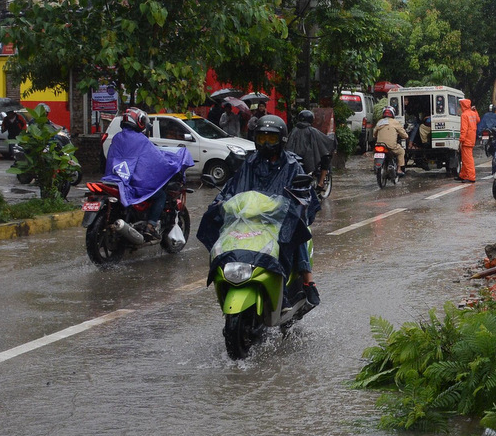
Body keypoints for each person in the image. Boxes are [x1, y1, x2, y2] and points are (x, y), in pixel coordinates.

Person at [198, 115, 320, 305]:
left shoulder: (292, 165)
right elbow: (231, 187)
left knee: (297, 230)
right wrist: (221, 203)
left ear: (282, 140)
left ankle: (308, 281)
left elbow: (304, 194)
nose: (266, 143)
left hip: (278, 220)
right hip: (249, 219)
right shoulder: (248, 163)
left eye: (271, 139)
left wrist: (295, 204)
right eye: (261, 138)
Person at [103, 107, 193, 240]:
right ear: (139, 121)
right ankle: (150, 226)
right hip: (134, 185)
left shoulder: (117, 138)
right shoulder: (141, 140)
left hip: (114, 179)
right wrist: (173, 164)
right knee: (161, 195)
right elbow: (157, 161)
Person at [286, 109, 334, 190]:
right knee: (326, 157)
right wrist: (332, 141)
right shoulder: (312, 131)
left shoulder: (293, 130)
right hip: (308, 158)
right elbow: (325, 141)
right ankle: (321, 183)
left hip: (293, 157)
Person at [373, 106, 409, 174]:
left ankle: (376, 166)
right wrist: (406, 136)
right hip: (391, 146)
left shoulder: (380, 122)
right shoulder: (395, 122)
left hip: (379, 145)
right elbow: (404, 135)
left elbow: (374, 134)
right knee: (401, 152)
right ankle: (399, 169)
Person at [458, 99, 479, 182]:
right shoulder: (473, 113)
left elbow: (464, 129)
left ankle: (471, 177)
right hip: (471, 138)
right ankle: (463, 175)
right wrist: (476, 110)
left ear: (463, 106)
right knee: (465, 158)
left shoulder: (464, 115)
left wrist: (461, 140)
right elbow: (478, 120)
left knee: (468, 159)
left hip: (466, 139)